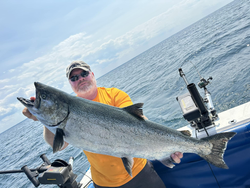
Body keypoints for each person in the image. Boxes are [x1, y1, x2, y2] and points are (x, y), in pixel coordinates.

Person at [22, 61, 183, 188]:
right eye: (74, 78)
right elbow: (58, 145)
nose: (80, 79)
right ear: (70, 84)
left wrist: (167, 147)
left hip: (140, 174)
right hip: (104, 183)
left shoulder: (114, 95)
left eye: (84, 73)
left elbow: (142, 124)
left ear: (92, 74)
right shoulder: (68, 109)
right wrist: (42, 117)